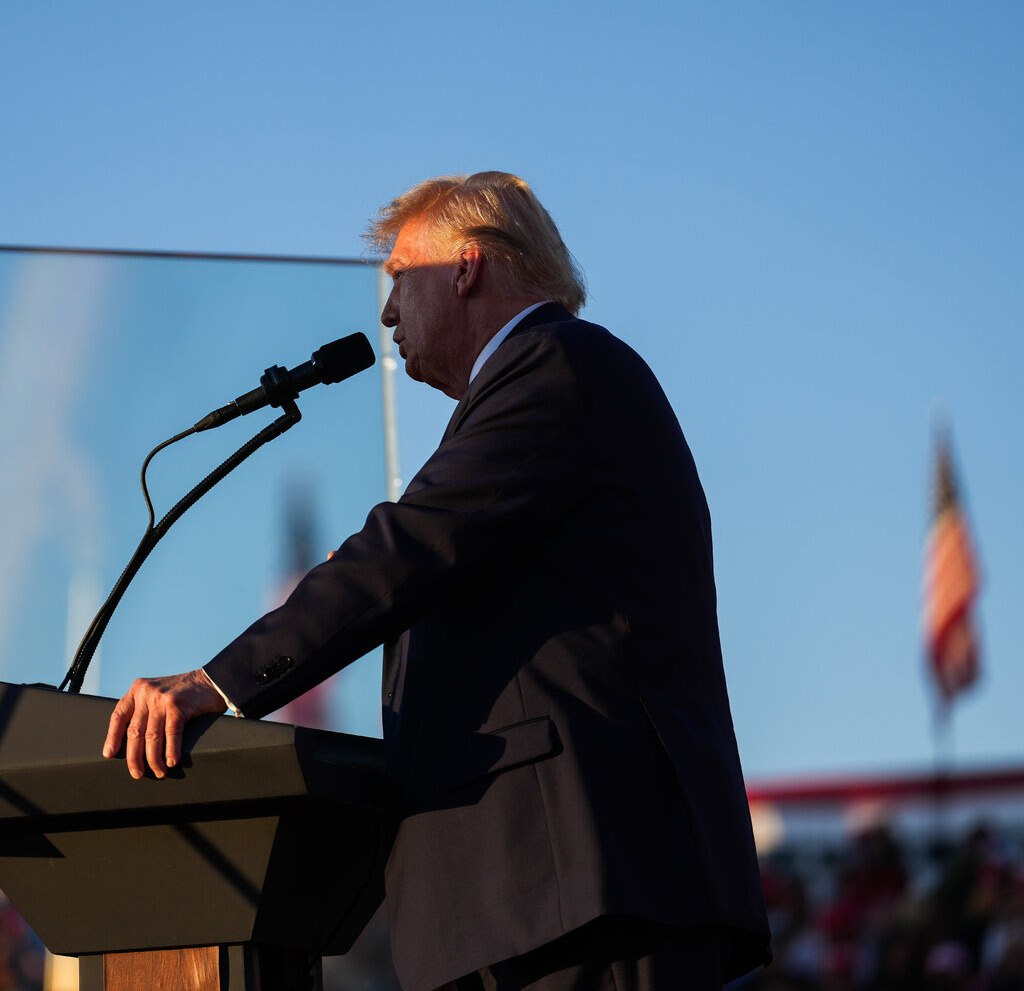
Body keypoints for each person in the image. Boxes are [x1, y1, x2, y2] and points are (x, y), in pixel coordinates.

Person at [103, 171, 771, 991]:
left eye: (398, 279)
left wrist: (221, 683)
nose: (385, 314)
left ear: (467, 267)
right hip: (537, 901)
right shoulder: (543, 384)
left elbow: (406, 550)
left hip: (584, 894)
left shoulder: (559, 368)